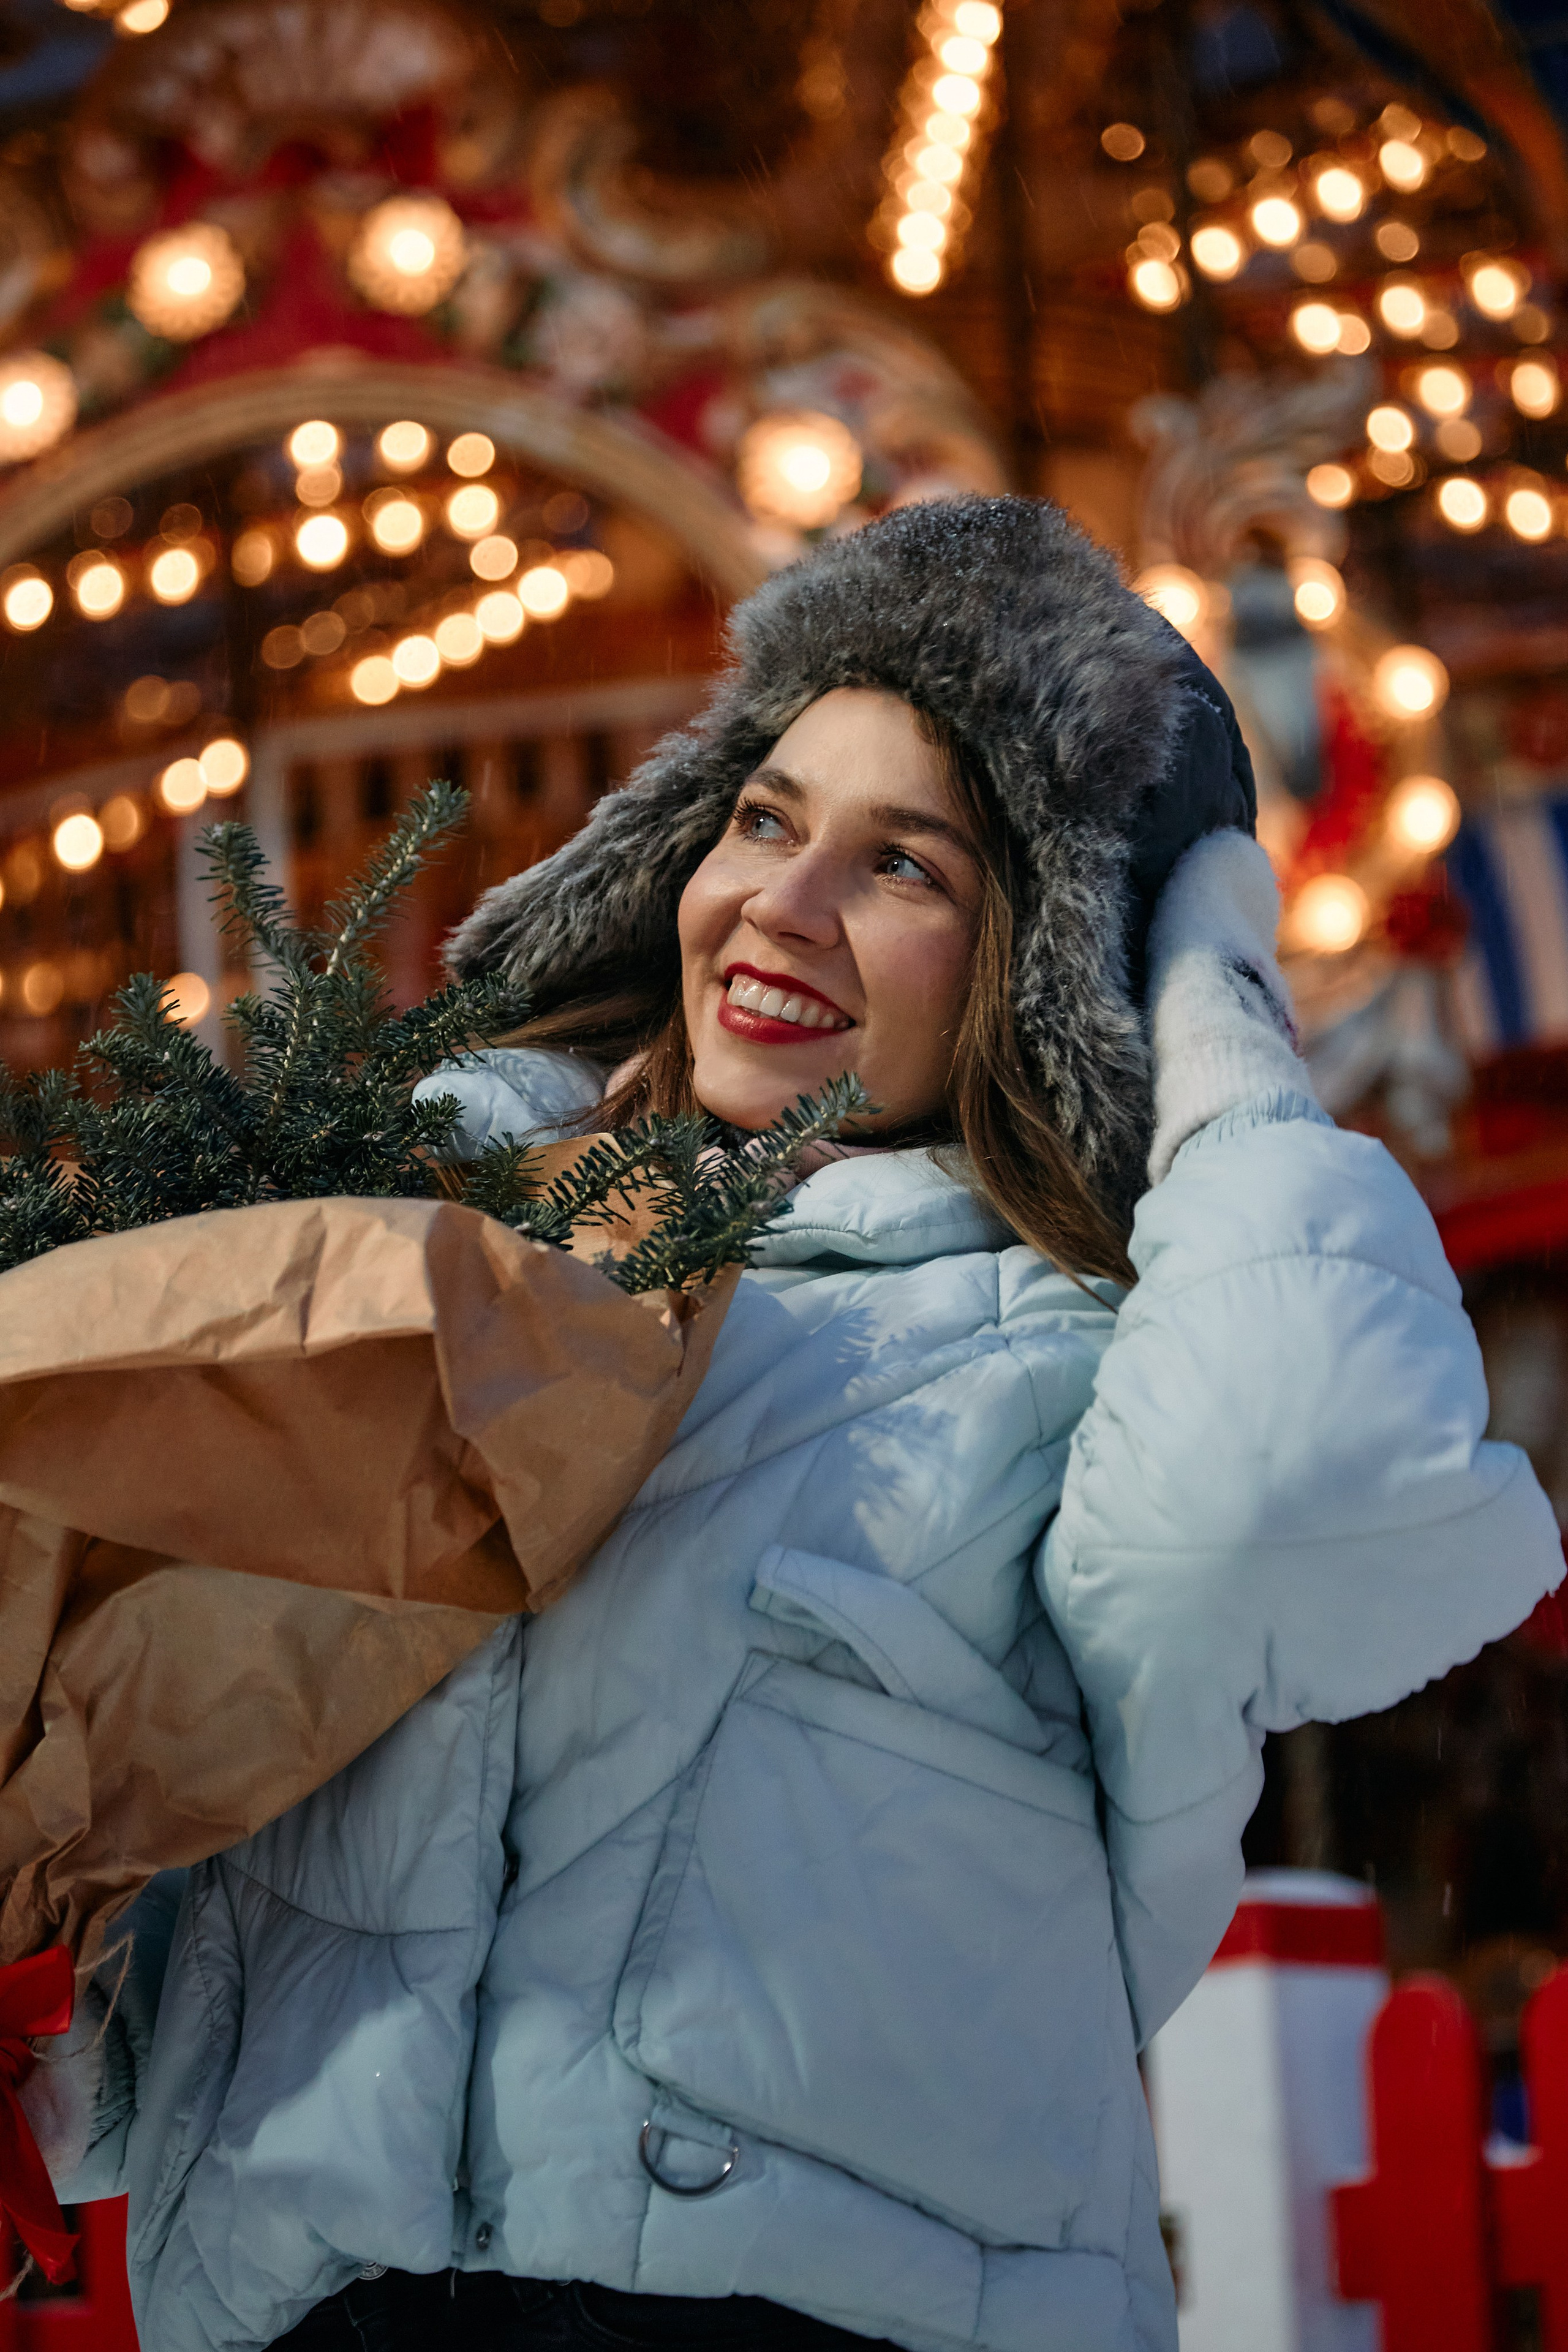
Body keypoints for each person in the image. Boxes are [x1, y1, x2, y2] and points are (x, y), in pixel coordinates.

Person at [34, 497, 1561, 2352]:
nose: (786, 901)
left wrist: (1213, 977)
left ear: (1045, 963)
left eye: (906, 866)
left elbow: (1295, 1493)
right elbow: (183, 1813)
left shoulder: (1081, 1363)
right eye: (765, 817)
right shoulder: (407, 1280)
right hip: (315, 2318)